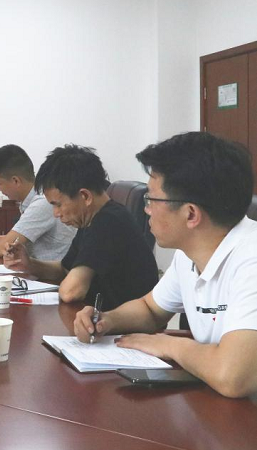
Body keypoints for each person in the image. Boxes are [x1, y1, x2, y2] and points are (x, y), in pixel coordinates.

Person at [73, 132, 257, 398]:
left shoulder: (251, 258)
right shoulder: (189, 253)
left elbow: (233, 377)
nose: (146, 209)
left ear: (190, 214)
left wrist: (169, 345)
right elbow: (150, 309)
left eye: (151, 200)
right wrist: (106, 320)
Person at [5, 144, 157, 310]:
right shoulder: (91, 219)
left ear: (85, 196)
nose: (56, 213)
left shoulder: (109, 222)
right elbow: (64, 269)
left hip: (122, 323)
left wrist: (66, 283)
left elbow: (71, 292)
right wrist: (29, 264)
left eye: (58, 204)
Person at [0, 144, 76, 260]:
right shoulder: (31, 199)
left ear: (16, 181)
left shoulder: (42, 202)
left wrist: (0, 243)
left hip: (53, 270)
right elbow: (20, 237)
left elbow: (3, 247)